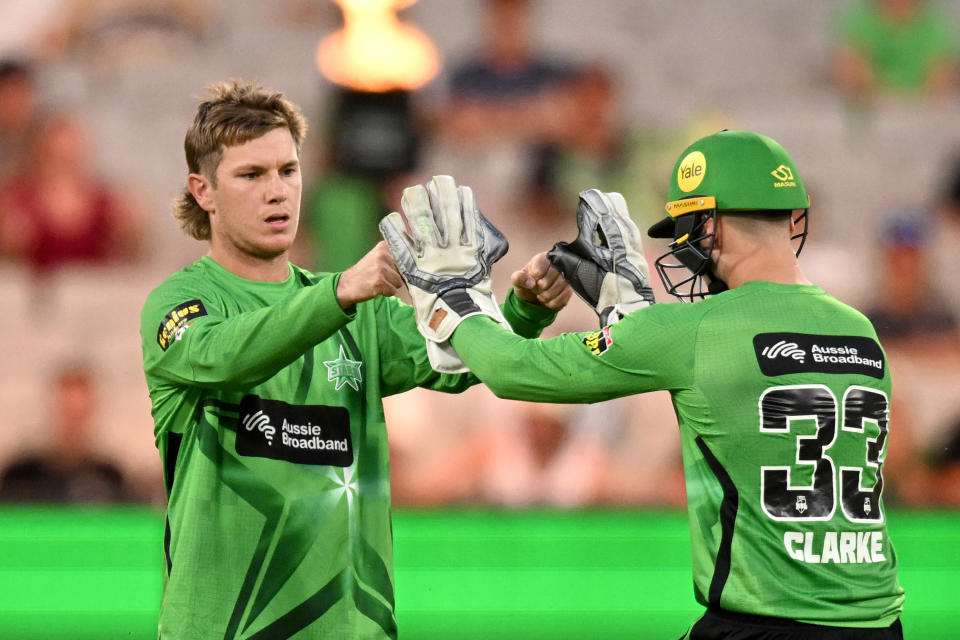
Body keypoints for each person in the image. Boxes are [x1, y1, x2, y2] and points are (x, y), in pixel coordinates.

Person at [382, 130, 904, 638]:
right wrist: (628, 323)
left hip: (765, 619)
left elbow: (515, 369)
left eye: (689, 230)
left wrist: (452, 299)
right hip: (879, 620)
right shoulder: (859, 328)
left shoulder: (693, 332)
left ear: (711, 228)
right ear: (793, 217)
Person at [139, 79, 569, 640]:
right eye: (251, 175)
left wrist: (522, 309)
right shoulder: (180, 304)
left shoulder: (359, 311)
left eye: (288, 171)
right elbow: (226, 357)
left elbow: (458, 356)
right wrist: (338, 292)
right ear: (204, 191)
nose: (278, 192)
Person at [0, 363, 129, 503]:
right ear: (53, 409)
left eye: (79, 414)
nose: (73, 424)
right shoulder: (21, 475)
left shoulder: (109, 477)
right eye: (67, 411)